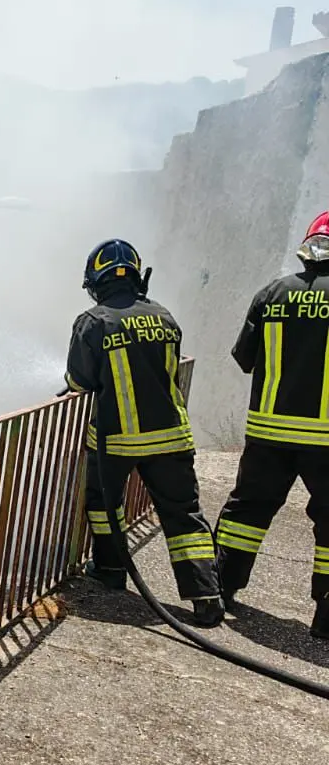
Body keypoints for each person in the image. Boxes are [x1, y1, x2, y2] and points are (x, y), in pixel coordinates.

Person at [65, 239, 224, 627]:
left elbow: (77, 382)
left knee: (105, 506)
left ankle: (110, 570)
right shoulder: (165, 317)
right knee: (184, 516)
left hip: (115, 442)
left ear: (96, 281)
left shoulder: (92, 322)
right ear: (138, 277)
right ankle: (206, 597)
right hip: (171, 438)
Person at [214, 211, 329, 636]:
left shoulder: (273, 292)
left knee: (247, 512)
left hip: (269, 433)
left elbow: (245, 358)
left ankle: (218, 590)